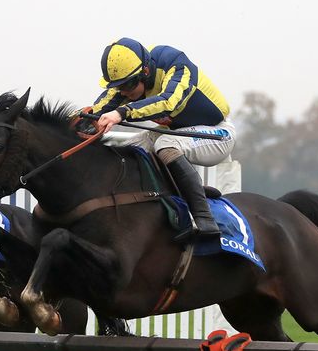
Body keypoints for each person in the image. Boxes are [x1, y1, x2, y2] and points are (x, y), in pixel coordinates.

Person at [90, 37, 236, 239]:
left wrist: (122, 112)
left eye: (128, 85)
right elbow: (99, 108)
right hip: (179, 133)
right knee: (128, 146)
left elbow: (168, 102)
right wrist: (80, 120)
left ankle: (204, 219)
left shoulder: (177, 65)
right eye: (119, 87)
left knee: (165, 143)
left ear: (145, 71)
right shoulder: (132, 78)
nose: (124, 92)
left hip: (218, 133)